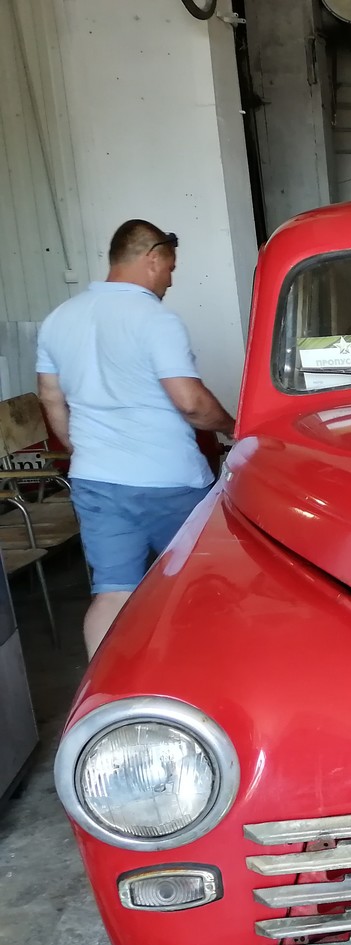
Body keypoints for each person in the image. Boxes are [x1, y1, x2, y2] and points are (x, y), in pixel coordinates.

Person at [35, 219, 235, 657]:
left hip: (97, 482)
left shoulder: (57, 319)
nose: (170, 279)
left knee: (113, 591)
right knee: (194, 584)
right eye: (170, 268)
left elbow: (50, 399)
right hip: (171, 482)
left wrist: (85, 451)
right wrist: (231, 426)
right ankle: (199, 683)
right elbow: (190, 403)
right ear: (152, 258)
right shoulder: (155, 319)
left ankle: (104, 700)